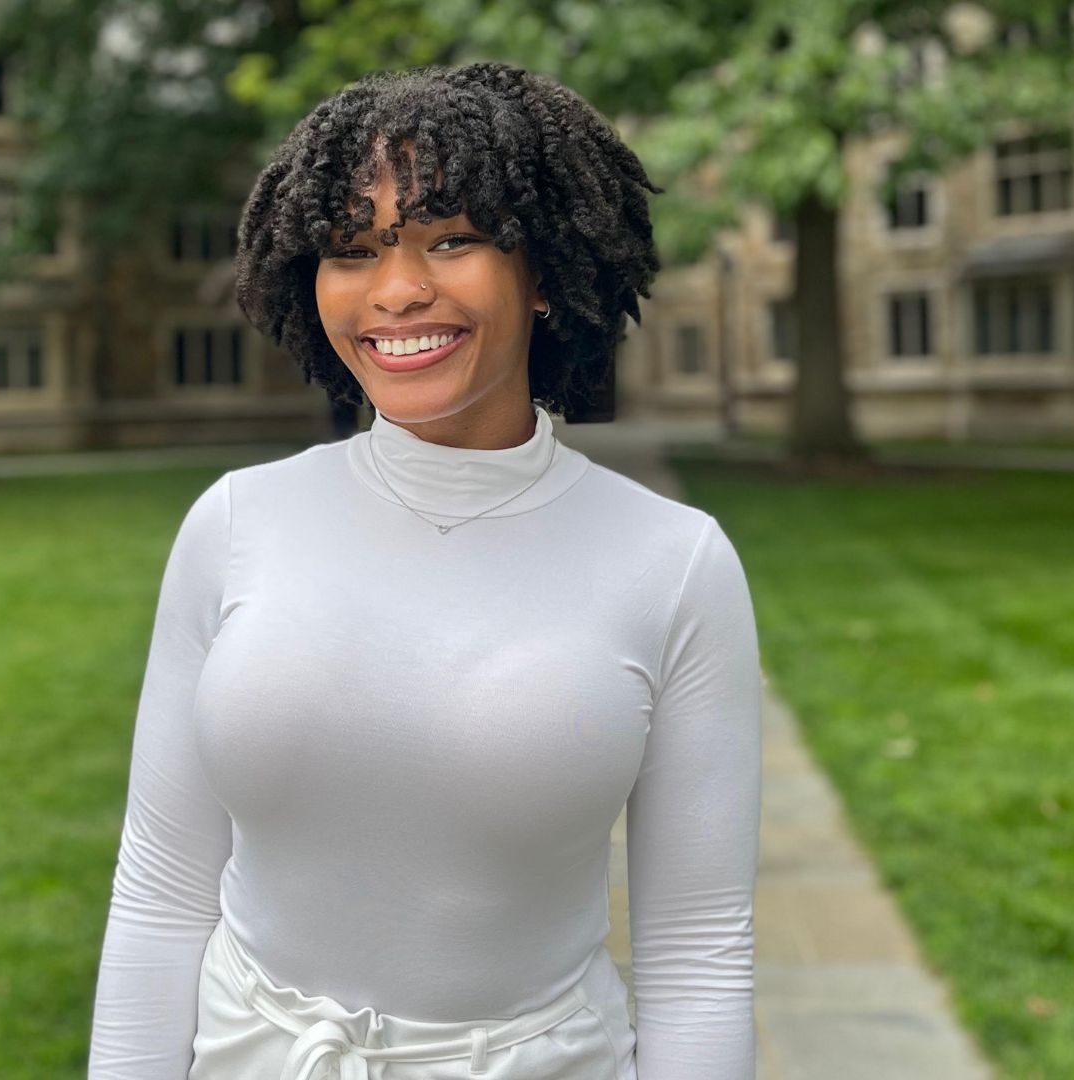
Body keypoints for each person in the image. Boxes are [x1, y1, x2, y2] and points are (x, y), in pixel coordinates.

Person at [88, 61, 762, 1080]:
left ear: (542, 271)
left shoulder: (673, 564)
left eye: (450, 240)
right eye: (352, 250)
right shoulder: (235, 524)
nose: (398, 291)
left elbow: (698, 953)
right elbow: (160, 891)